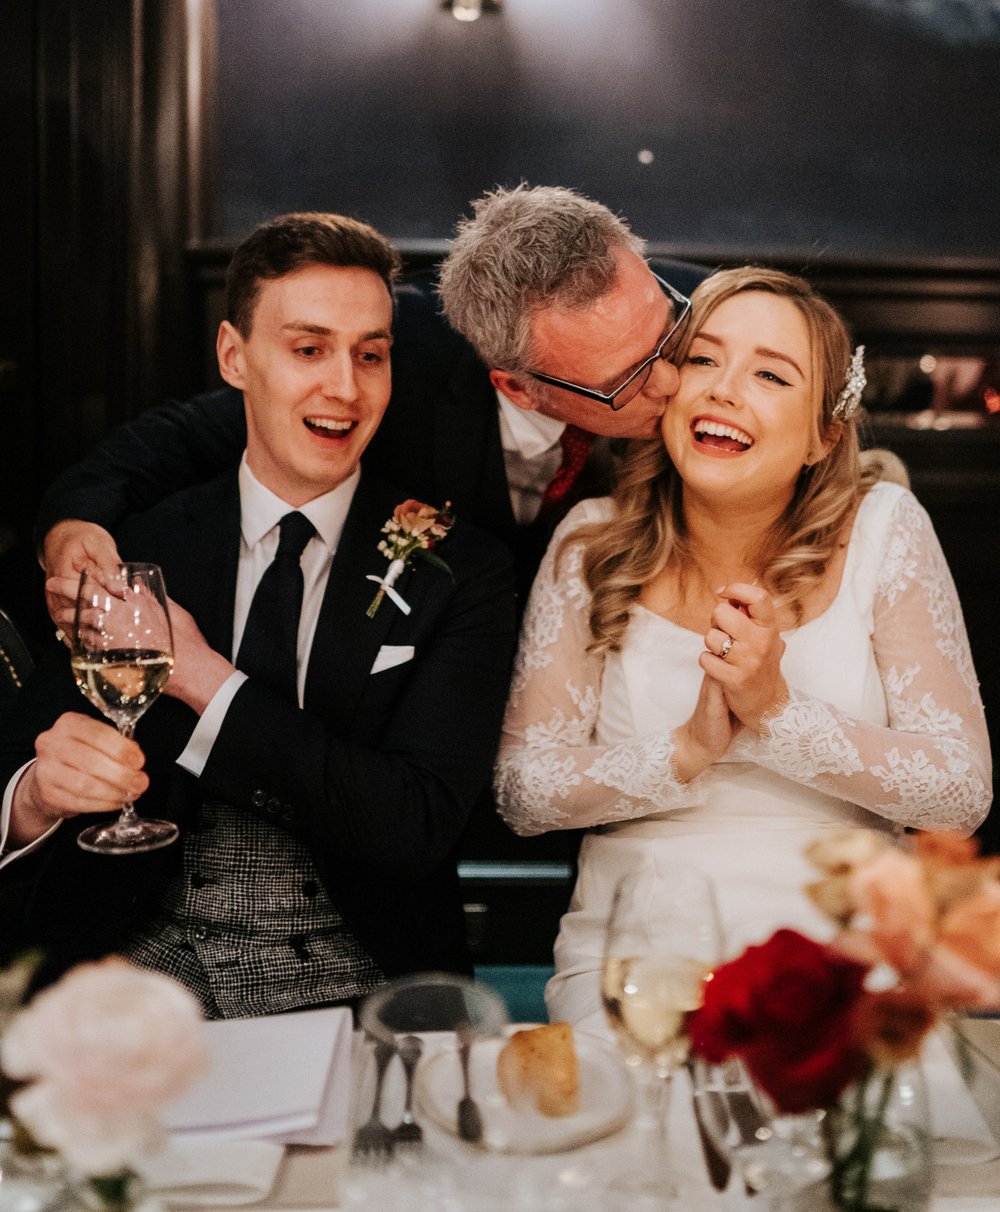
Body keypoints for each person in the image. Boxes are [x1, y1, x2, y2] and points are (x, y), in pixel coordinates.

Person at [0, 213, 517, 1014]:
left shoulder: (465, 571)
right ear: (234, 358)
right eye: (308, 349)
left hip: (367, 985)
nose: (345, 387)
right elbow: (18, 761)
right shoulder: (143, 548)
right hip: (130, 985)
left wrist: (203, 678)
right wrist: (37, 795)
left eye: (371, 355)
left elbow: (414, 825)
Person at [494, 266, 992, 1031]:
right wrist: (687, 751)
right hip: (637, 959)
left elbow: (960, 793)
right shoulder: (591, 541)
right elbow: (524, 792)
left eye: (770, 373)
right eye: (702, 359)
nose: (724, 388)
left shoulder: (886, 529)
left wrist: (778, 714)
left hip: (847, 948)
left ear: (824, 434)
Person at [37, 187, 705, 611]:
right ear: (516, 386)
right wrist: (73, 525)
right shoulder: (387, 360)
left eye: (666, 336)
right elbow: (180, 439)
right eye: (627, 378)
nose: (673, 380)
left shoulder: (696, 306)